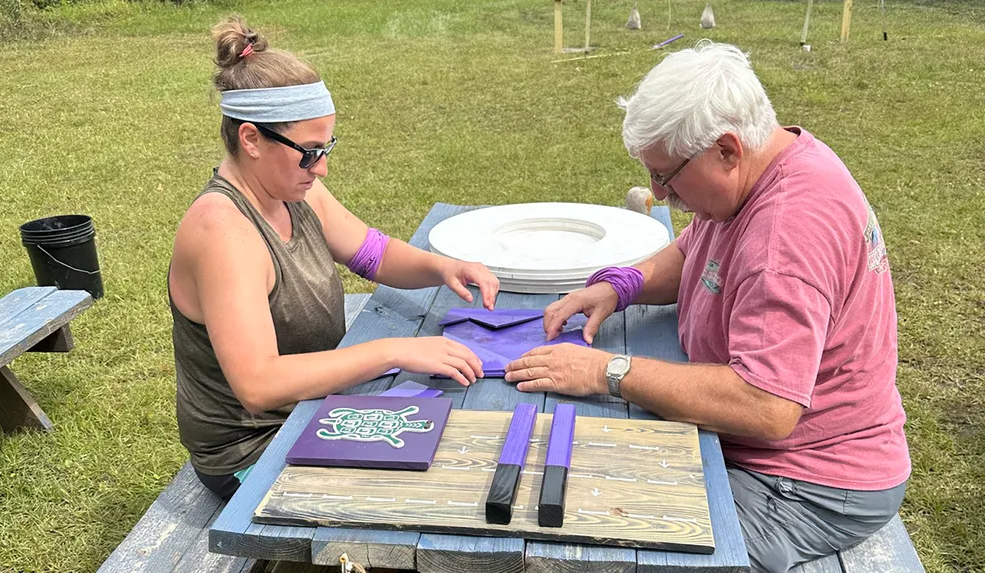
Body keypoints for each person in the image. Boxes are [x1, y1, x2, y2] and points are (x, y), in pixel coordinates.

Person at [504, 41, 910, 573]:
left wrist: (608, 370)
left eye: (666, 177)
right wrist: (621, 286)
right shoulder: (765, 166)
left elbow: (765, 405)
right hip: (776, 452)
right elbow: (697, 245)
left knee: (611, 543)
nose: (656, 191)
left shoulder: (783, 238)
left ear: (726, 149)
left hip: (809, 480)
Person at [168, 16, 499, 500]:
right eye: (308, 152)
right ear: (251, 139)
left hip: (313, 411)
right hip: (253, 450)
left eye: (327, 147)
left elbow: (372, 252)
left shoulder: (293, 189)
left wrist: (442, 266)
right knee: (453, 485)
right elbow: (257, 384)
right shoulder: (224, 232)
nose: (321, 167)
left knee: (472, 435)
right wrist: (390, 351)